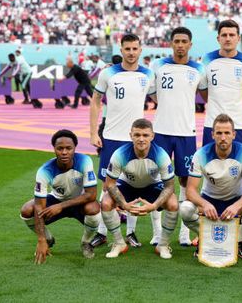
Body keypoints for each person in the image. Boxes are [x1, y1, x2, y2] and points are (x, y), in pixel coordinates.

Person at [89, 33, 156, 249]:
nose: (131, 52)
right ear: (121, 49)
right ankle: (101, 232)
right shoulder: (108, 73)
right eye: (127, 48)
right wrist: (93, 132)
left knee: (134, 184)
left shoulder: (148, 74)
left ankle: (131, 233)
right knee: (107, 187)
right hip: (111, 137)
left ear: (140, 49)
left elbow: (160, 99)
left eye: (135, 48)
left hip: (135, 140)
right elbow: (96, 101)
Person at [151, 27, 206, 247]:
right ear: (171, 43)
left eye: (184, 41)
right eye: (177, 41)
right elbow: (151, 93)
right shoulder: (157, 65)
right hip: (161, 130)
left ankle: (184, 233)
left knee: (185, 180)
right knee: (157, 179)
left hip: (186, 132)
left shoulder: (198, 69)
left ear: (190, 44)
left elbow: (205, 94)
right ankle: (157, 233)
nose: (180, 45)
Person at [180, 114, 242, 259]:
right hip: (210, 201)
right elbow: (191, 190)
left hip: (236, 201)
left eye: (227, 133)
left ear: (234, 134)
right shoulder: (201, 155)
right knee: (185, 209)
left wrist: (236, 206)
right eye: (219, 133)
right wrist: (204, 204)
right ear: (212, 135)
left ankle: (240, 239)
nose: (223, 137)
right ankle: (204, 237)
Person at [100, 119, 178, 259]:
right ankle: (119, 243)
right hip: (127, 185)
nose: (141, 139)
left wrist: (154, 206)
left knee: (173, 203)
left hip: (152, 186)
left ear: (152, 136)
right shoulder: (120, 154)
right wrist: (123, 204)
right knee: (105, 202)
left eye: (145, 135)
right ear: (131, 135)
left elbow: (170, 186)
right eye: (137, 135)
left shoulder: (161, 155)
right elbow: (110, 184)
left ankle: (163, 245)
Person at [20, 130, 100, 264]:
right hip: (56, 199)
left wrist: (61, 206)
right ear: (54, 149)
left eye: (68, 148)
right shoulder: (44, 171)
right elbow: (39, 205)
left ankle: (86, 242)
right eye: (60, 148)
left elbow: (91, 194)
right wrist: (41, 239)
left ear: (75, 148)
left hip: (77, 202)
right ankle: (49, 239)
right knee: (27, 210)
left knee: (93, 208)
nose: (64, 152)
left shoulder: (85, 161)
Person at [199, 19, 242, 151]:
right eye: (224, 35)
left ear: (238, 38)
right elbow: (205, 93)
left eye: (232, 35)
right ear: (218, 38)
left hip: (240, 124)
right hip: (213, 124)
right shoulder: (206, 59)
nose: (228, 39)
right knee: (210, 168)